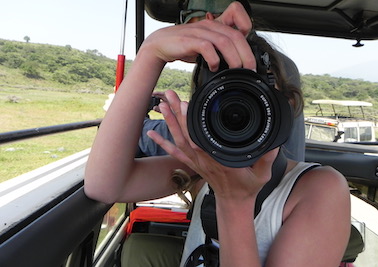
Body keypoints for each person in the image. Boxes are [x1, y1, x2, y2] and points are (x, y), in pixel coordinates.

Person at [85, 2, 350, 266]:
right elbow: (103, 186)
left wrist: (233, 201)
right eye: (220, 104)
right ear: (199, 115)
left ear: (285, 108)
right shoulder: (203, 169)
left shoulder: (320, 189)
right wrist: (151, 53)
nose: (236, 116)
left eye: (254, 99)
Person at [137, 0, 305, 161]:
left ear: (208, 19)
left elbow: (199, 128)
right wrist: (183, 111)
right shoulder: (276, 62)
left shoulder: (213, 62)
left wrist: (151, 50)